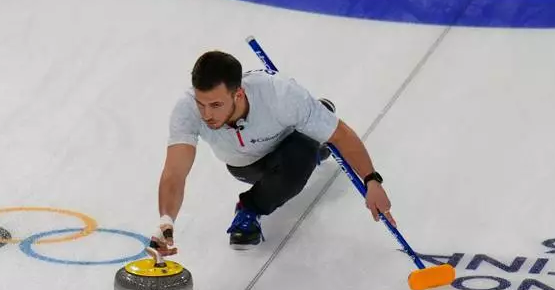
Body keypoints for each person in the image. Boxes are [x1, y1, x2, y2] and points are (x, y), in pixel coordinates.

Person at [149, 50, 394, 256]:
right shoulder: (187, 109)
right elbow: (175, 172)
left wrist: (372, 180)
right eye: (201, 104)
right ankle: (317, 133)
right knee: (308, 146)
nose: (206, 115)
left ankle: (250, 209)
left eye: (215, 105)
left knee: (302, 152)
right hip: (245, 166)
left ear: (239, 94)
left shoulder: (281, 94)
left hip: (292, 144)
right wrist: (166, 220)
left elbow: (341, 134)